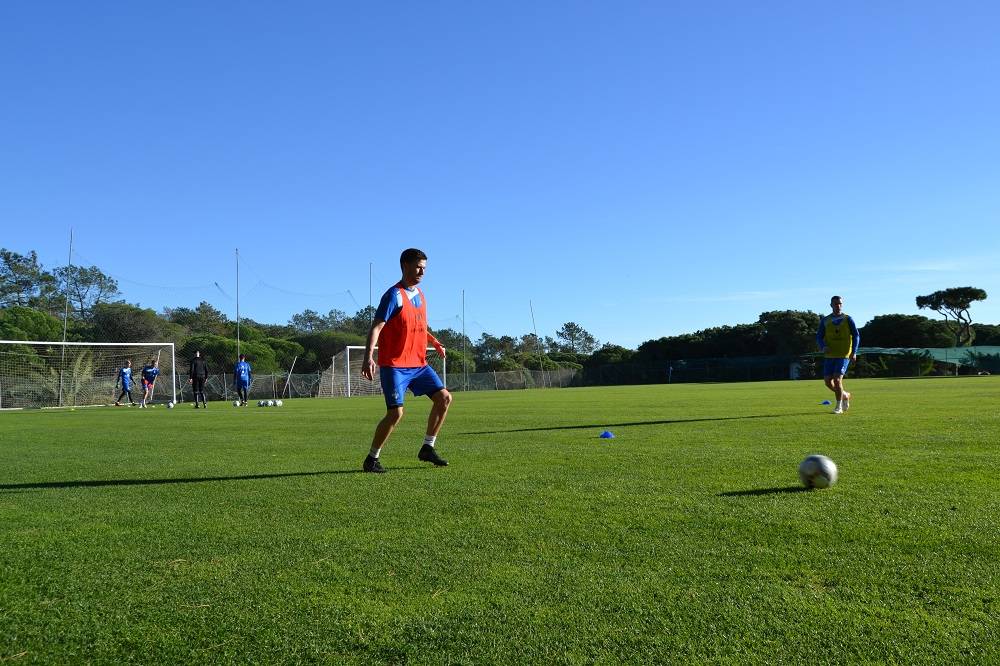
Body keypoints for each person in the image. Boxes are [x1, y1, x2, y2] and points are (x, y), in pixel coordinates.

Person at [360, 248, 452, 473]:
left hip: (418, 364)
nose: (422, 271)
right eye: (418, 266)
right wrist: (368, 357)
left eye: (424, 268)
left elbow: (418, 325)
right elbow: (377, 327)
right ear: (405, 266)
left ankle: (427, 448)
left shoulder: (420, 295)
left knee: (444, 398)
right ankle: (372, 459)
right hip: (395, 365)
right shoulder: (394, 295)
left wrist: (434, 341)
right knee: (396, 413)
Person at [816, 295, 860, 414]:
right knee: (827, 382)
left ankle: (838, 406)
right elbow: (819, 336)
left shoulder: (848, 319)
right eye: (835, 303)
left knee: (837, 379)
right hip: (830, 355)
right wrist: (822, 346)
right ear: (831, 305)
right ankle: (845, 395)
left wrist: (854, 351)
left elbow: (856, 335)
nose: (838, 305)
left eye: (840, 303)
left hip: (844, 354)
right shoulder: (825, 320)